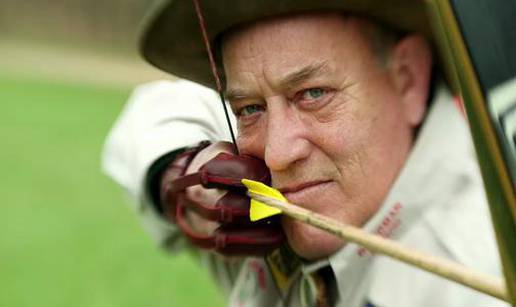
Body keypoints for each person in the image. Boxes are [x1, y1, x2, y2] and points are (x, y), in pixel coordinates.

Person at [102, 1, 508, 306]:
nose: (278, 155)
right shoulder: (257, 211)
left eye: (314, 94)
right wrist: (186, 180)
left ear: (407, 79)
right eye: (249, 109)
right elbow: (149, 113)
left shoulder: (480, 268)